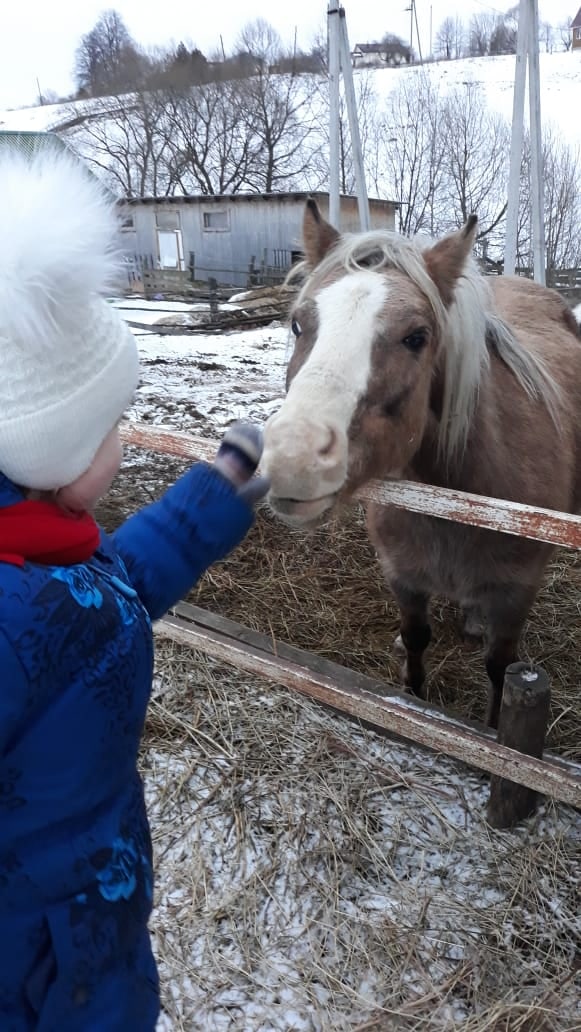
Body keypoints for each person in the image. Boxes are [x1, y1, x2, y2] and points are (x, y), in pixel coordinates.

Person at [0, 148, 268, 1030]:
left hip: (87, 911)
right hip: (50, 958)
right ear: (54, 450)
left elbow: (118, 587)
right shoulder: (10, 608)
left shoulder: (50, 556)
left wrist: (214, 493)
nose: (124, 440)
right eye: (113, 423)